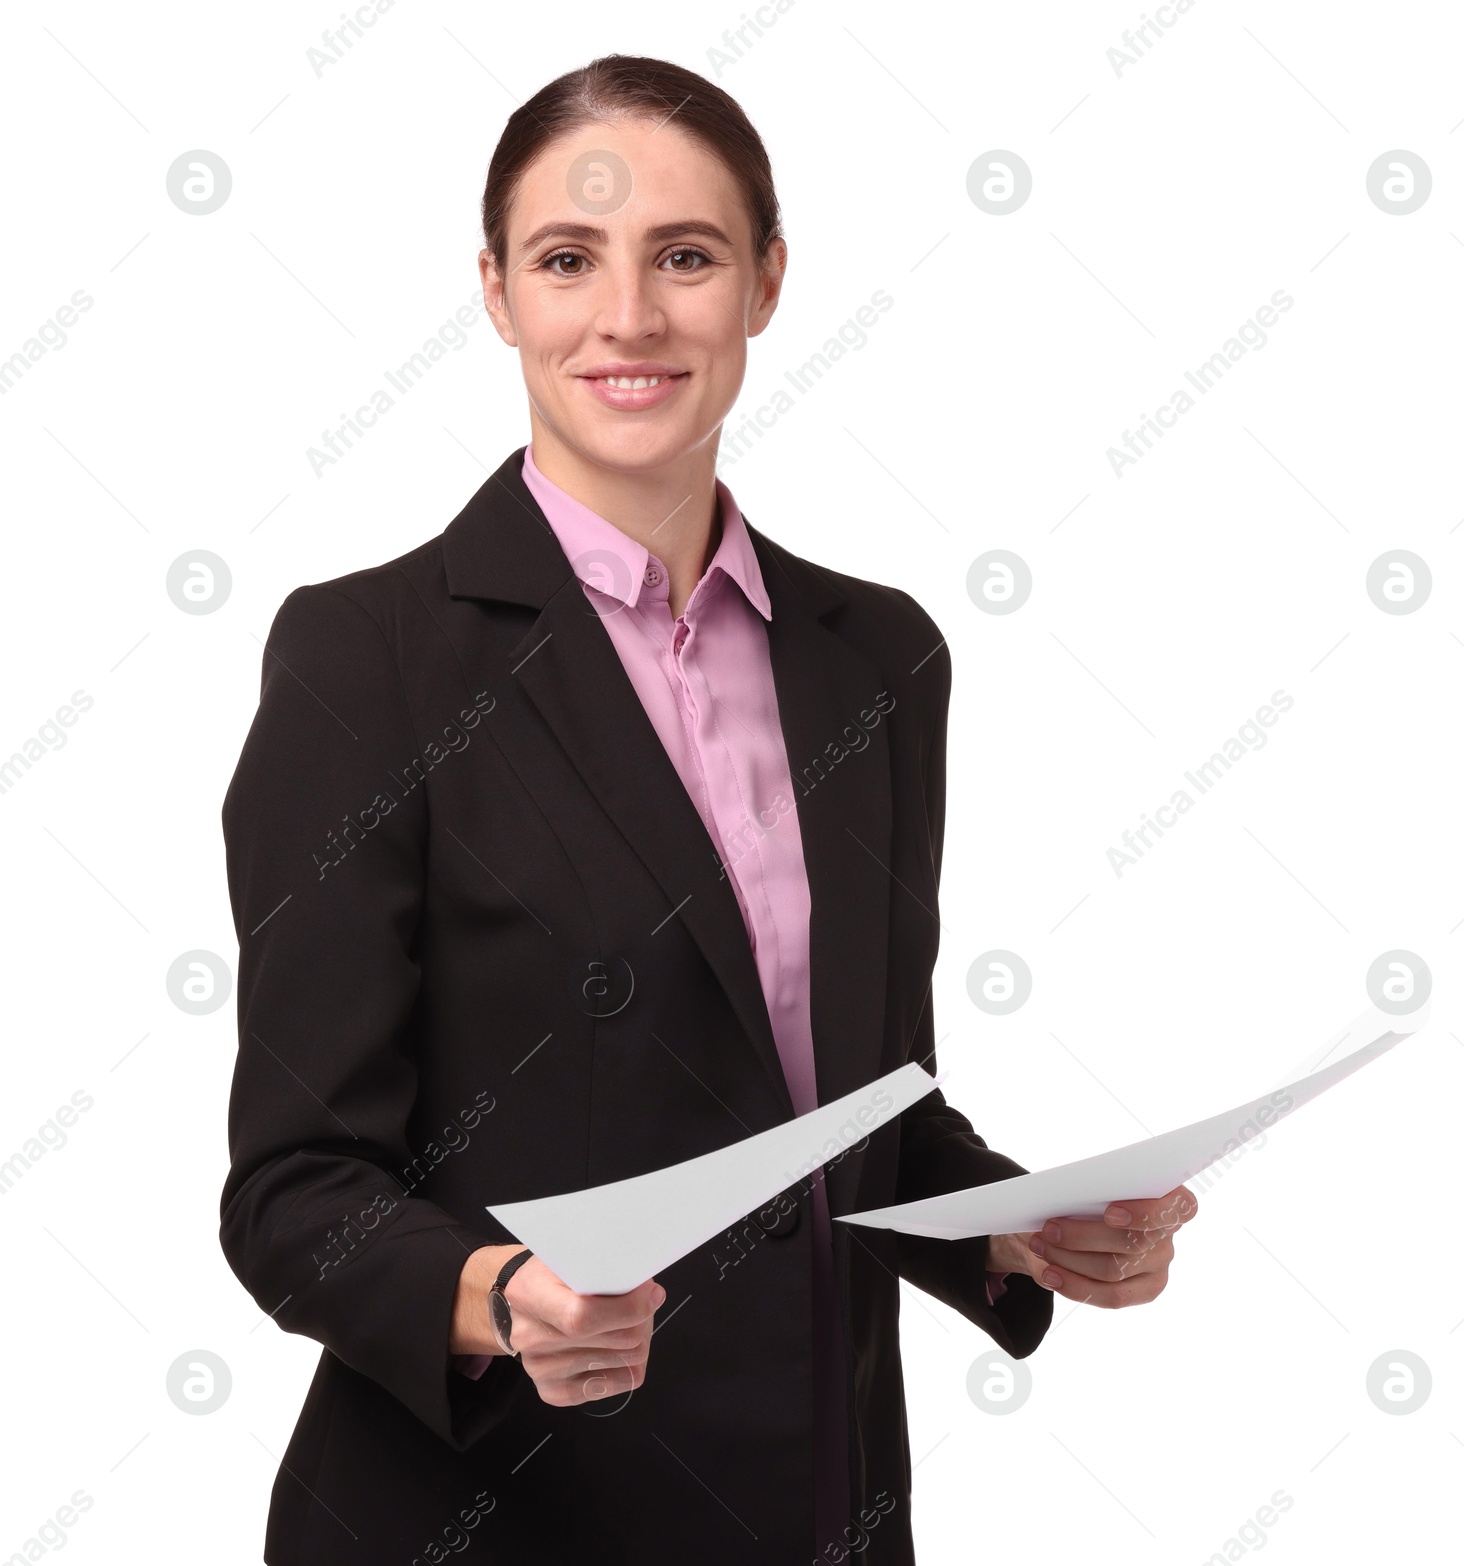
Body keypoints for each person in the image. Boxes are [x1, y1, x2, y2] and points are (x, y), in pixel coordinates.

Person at [218, 52, 1198, 1566]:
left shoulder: (878, 655)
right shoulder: (371, 662)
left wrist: (1014, 1219)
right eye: (567, 261)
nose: (630, 317)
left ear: (766, 282)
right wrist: (496, 1292)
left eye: (686, 256)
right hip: (500, 1520)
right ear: (495, 292)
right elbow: (293, 1194)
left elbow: (849, 1100)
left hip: (823, 1503)